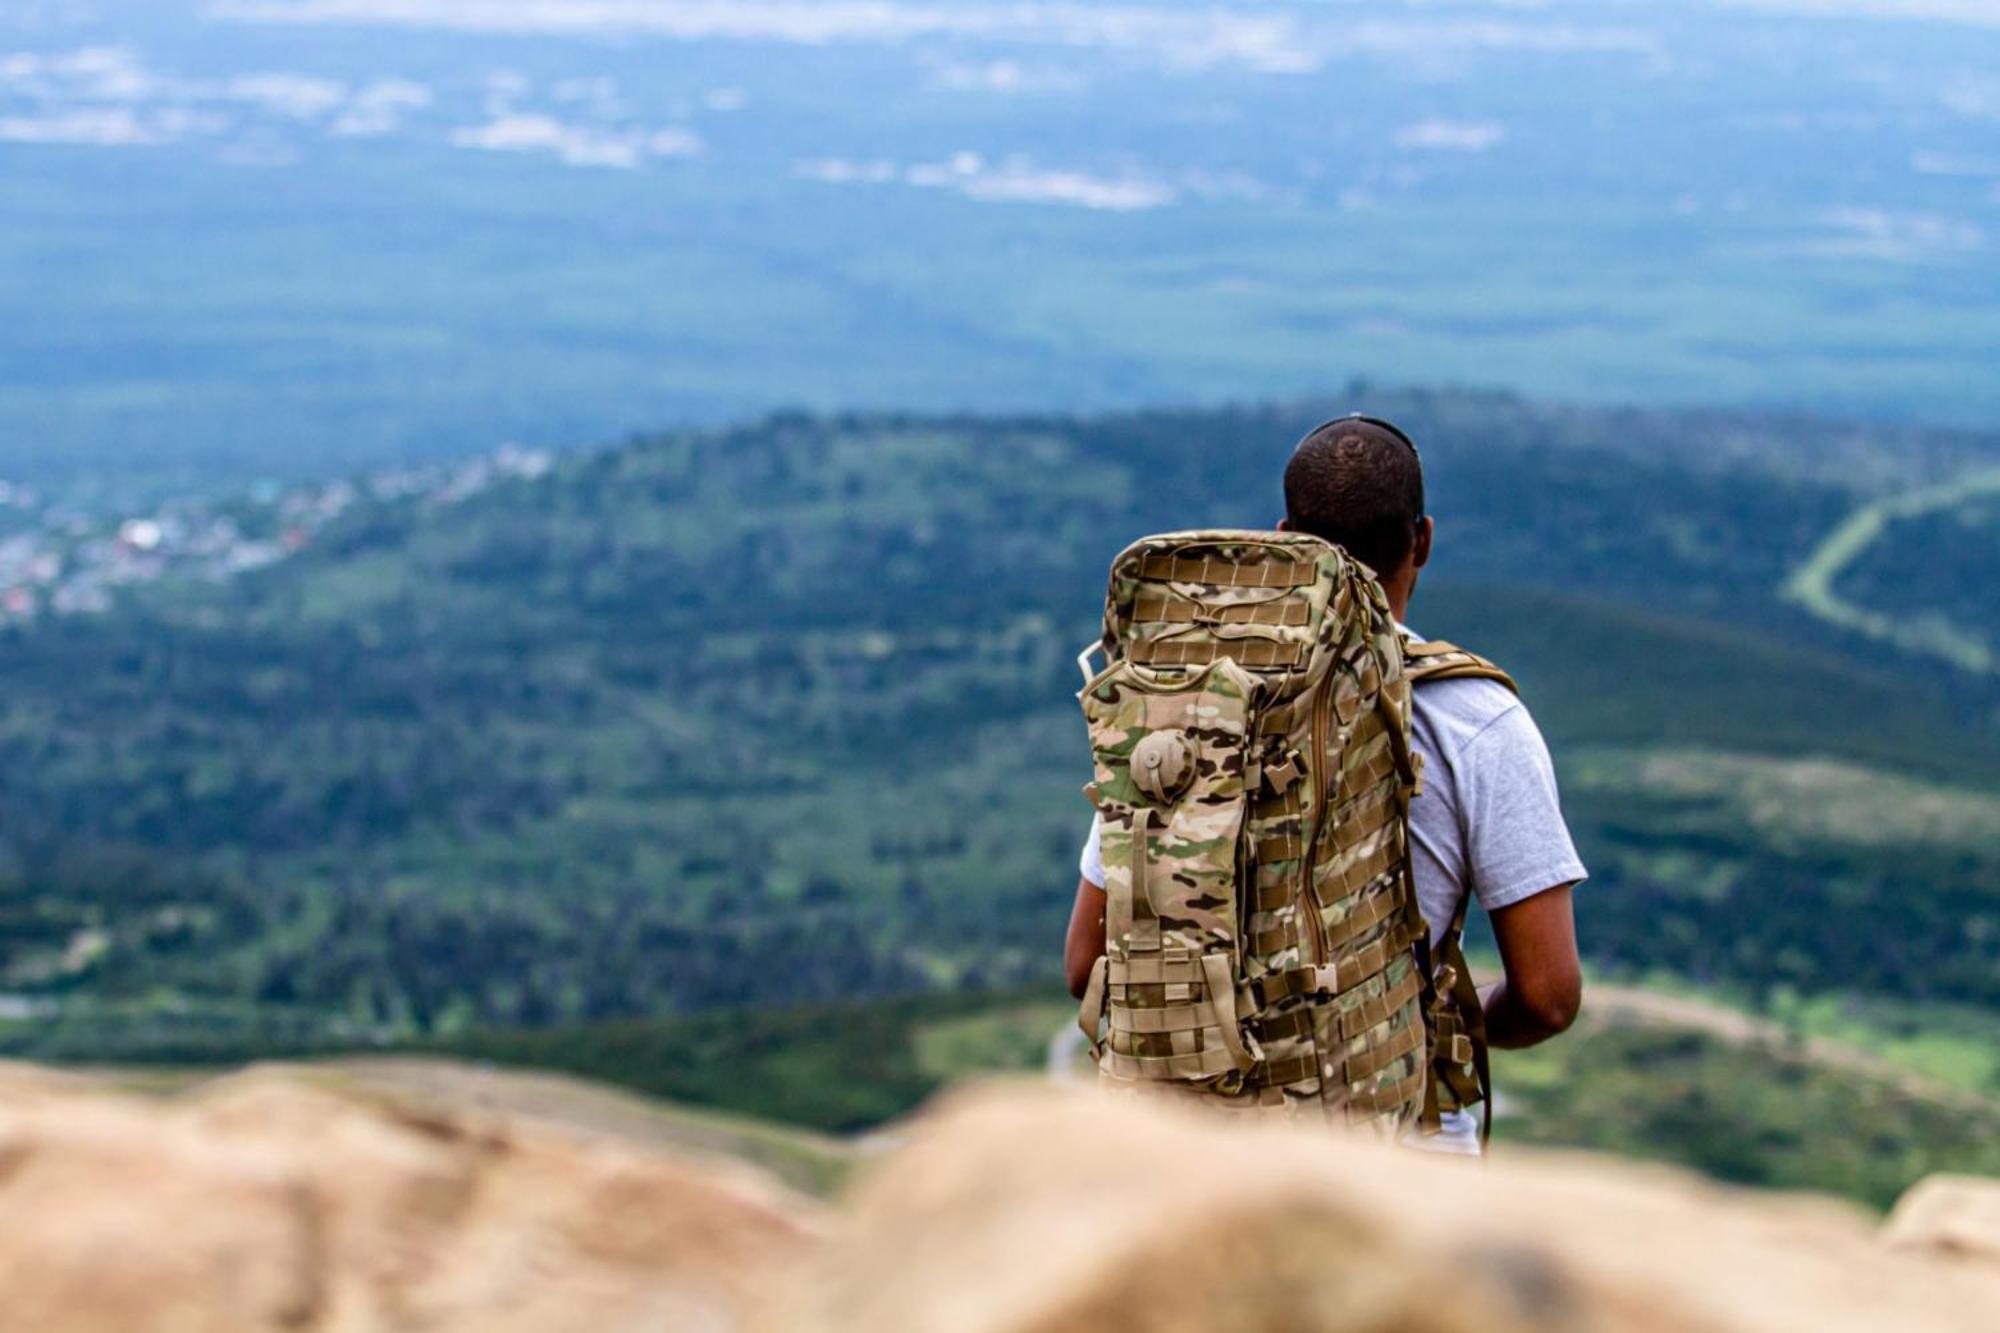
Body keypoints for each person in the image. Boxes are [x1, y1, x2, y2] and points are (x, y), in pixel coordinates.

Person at [1063, 415, 1587, 1153]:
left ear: (1286, 539)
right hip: (1397, 1157)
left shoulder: (1192, 708)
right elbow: (1548, 994)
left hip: (1195, 1158)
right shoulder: (1480, 719)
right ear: (1423, 541)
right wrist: (1417, 1024)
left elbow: (1086, 961)